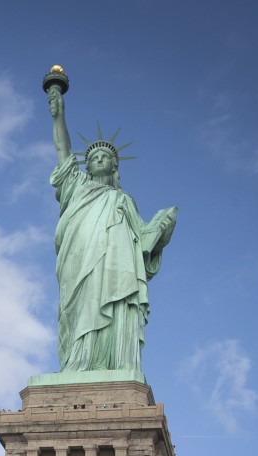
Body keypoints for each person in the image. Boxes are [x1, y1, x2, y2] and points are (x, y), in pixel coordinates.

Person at [46, 82, 177, 373]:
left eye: (105, 157)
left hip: (118, 267)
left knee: (116, 304)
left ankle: (116, 363)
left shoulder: (124, 200)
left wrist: (162, 231)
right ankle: (78, 363)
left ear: (114, 166)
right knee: (80, 308)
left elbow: (143, 245)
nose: (99, 160)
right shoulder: (77, 186)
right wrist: (58, 115)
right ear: (87, 167)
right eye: (93, 158)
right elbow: (62, 149)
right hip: (79, 260)